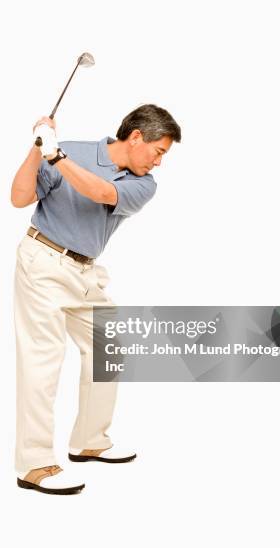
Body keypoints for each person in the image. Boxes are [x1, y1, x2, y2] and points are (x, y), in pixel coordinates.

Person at [10, 103, 181, 495]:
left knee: (108, 346)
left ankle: (90, 441)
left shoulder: (143, 185)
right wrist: (38, 147)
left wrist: (56, 155)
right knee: (43, 359)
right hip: (43, 261)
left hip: (84, 271)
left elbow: (100, 191)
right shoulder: (71, 149)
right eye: (159, 152)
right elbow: (19, 198)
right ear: (137, 136)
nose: (159, 162)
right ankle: (34, 465)